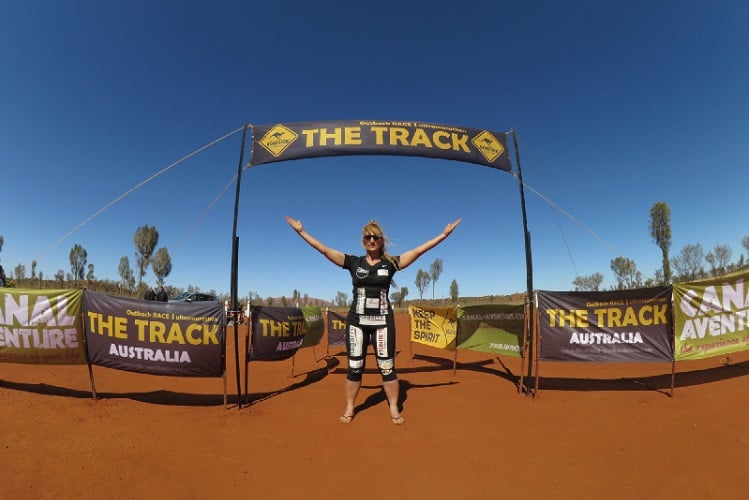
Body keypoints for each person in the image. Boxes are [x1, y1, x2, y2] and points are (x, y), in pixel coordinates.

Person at [285, 215, 461, 425]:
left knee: (387, 367)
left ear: (381, 241)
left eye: (375, 237)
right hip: (357, 322)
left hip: (382, 323)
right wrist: (301, 232)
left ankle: (394, 407)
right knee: (355, 366)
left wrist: (443, 235)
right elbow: (323, 250)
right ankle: (350, 406)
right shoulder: (353, 262)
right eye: (368, 237)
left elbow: (419, 251)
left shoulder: (391, 263)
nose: (371, 240)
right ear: (363, 240)